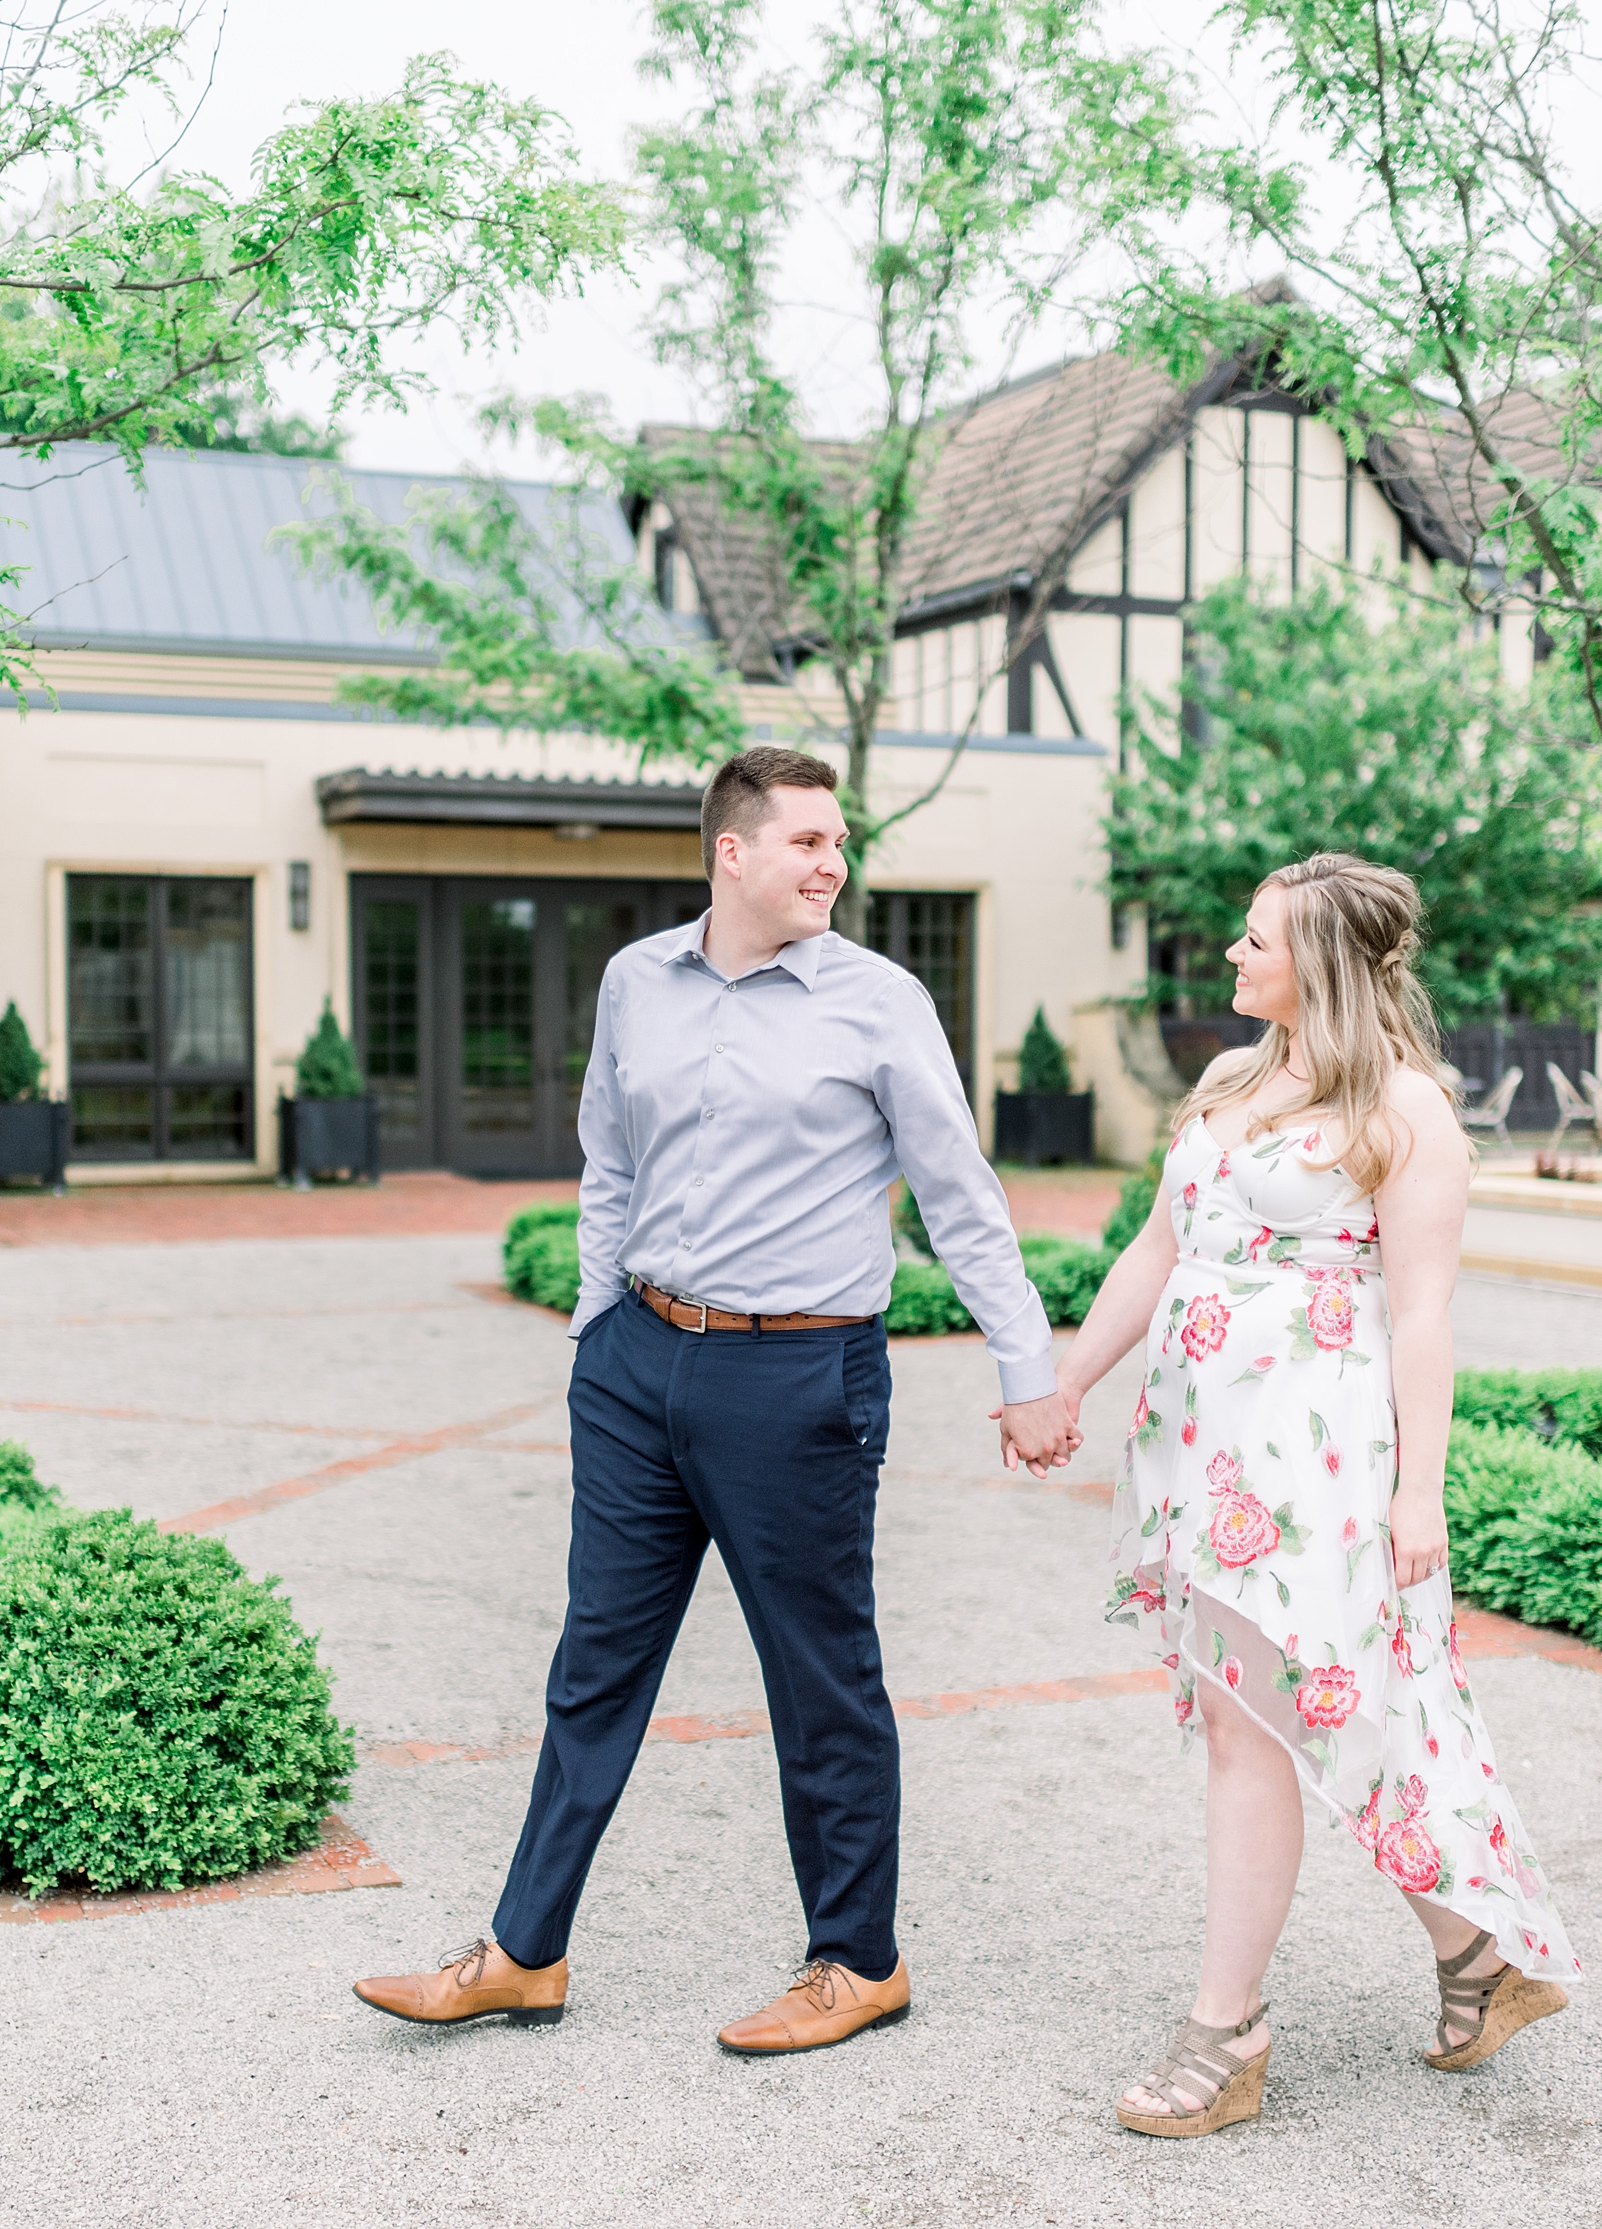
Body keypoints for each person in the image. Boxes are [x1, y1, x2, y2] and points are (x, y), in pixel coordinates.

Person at [353, 746, 1077, 2049]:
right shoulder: (637, 981)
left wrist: (1025, 1371)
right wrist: (594, 1332)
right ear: (729, 852)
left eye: (838, 842)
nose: (832, 864)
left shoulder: (877, 1001)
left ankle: (858, 1961)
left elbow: (958, 1194)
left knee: (817, 1681)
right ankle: (525, 1951)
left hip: (798, 1375)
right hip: (639, 1365)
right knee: (593, 1668)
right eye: (806, 842)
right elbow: (606, 1161)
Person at [1055, 853, 1577, 2137]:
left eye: (1254, 943)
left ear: (1324, 964)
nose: (1232, 959)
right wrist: (1063, 1385)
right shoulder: (1234, 1082)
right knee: (1341, 1715)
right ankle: (1479, 1961)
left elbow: (1423, 1320)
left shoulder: (1406, 1112)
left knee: (1266, 1726)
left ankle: (1224, 2035)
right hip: (1203, 1449)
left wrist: (1421, 1497)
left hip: (1320, 1461)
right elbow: (1159, 1249)